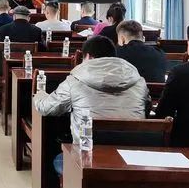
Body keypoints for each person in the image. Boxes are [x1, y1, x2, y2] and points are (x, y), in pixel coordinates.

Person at [34, 35, 150, 175]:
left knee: (60, 158)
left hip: (88, 157)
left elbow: (47, 108)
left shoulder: (74, 81)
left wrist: (39, 94)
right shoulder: (139, 82)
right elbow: (147, 108)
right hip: (133, 157)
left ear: (88, 57)